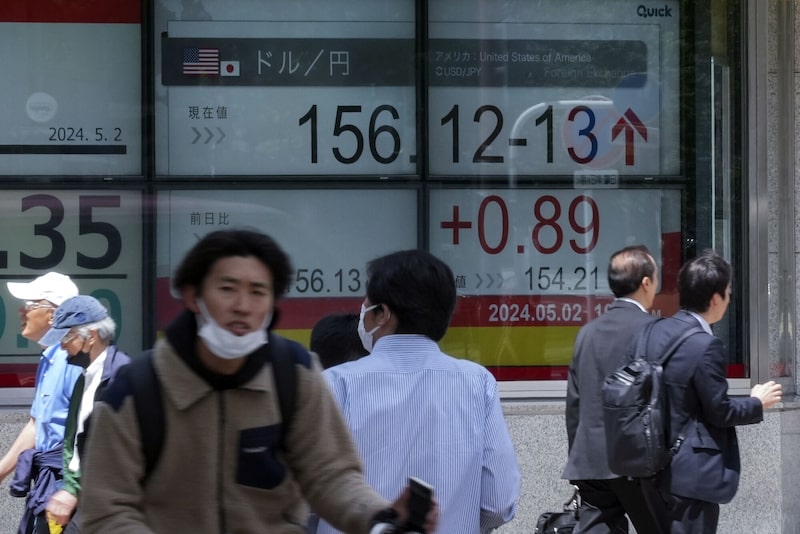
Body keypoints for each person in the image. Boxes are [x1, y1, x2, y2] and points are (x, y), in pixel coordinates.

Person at [79, 229, 436, 534]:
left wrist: (381, 517)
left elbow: (330, 476)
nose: (243, 305)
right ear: (193, 296)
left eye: (258, 292)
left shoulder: (294, 375)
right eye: (227, 288)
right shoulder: (136, 389)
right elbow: (107, 509)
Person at [318, 249, 520, 534]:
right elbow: (498, 502)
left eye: (368, 303)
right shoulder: (478, 383)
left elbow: (305, 496)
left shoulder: (336, 384)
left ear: (383, 314)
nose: (362, 311)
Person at [647, 250, 782, 533]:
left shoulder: (655, 331)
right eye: (728, 292)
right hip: (691, 476)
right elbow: (719, 411)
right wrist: (757, 402)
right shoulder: (706, 346)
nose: (730, 299)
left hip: (653, 469)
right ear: (715, 299)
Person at [562, 245, 664, 533]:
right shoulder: (655, 330)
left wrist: (579, 458)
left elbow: (574, 405)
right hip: (640, 463)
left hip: (591, 462)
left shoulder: (587, 333)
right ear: (646, 282)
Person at [36, 296, 130, 532]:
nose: (62, 346)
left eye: (66, 338)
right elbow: (72, 442)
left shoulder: (121, 377)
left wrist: (73, 491)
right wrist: (70, 487)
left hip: (107, 505)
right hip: (82, 498)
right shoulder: (84, 377)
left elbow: (115, 452)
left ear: (92, 336)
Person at [0, 272, 82, 534]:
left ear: (53, 314)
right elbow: (36, 426)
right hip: (50, 491)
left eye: (30, 304)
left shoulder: (75, 361)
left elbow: (93, 431)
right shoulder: (49, 359)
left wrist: (71, 491)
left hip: (69, 495)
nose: (21, 311)